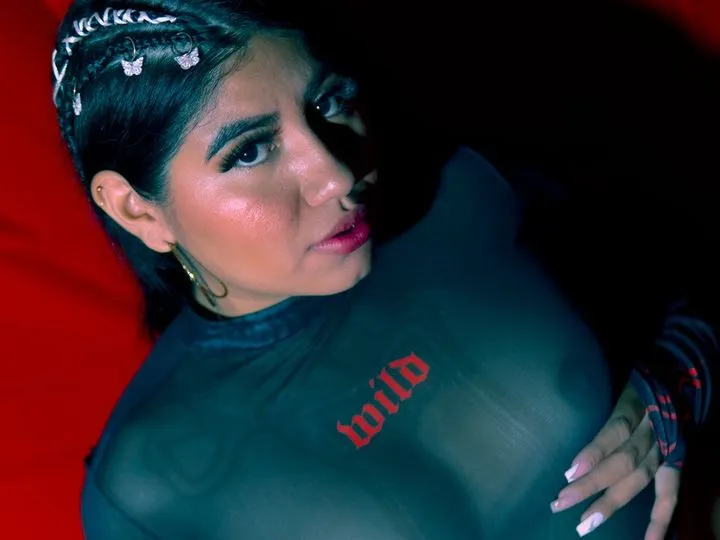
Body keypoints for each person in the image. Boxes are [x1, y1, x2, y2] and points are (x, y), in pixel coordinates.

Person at [51, 1, 716, 538]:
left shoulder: (465, 192)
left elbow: (691, 268)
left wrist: (677, 384)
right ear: (138, 210)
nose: (336, 174)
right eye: (250, 151)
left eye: (327, 103)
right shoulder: (142, 490)